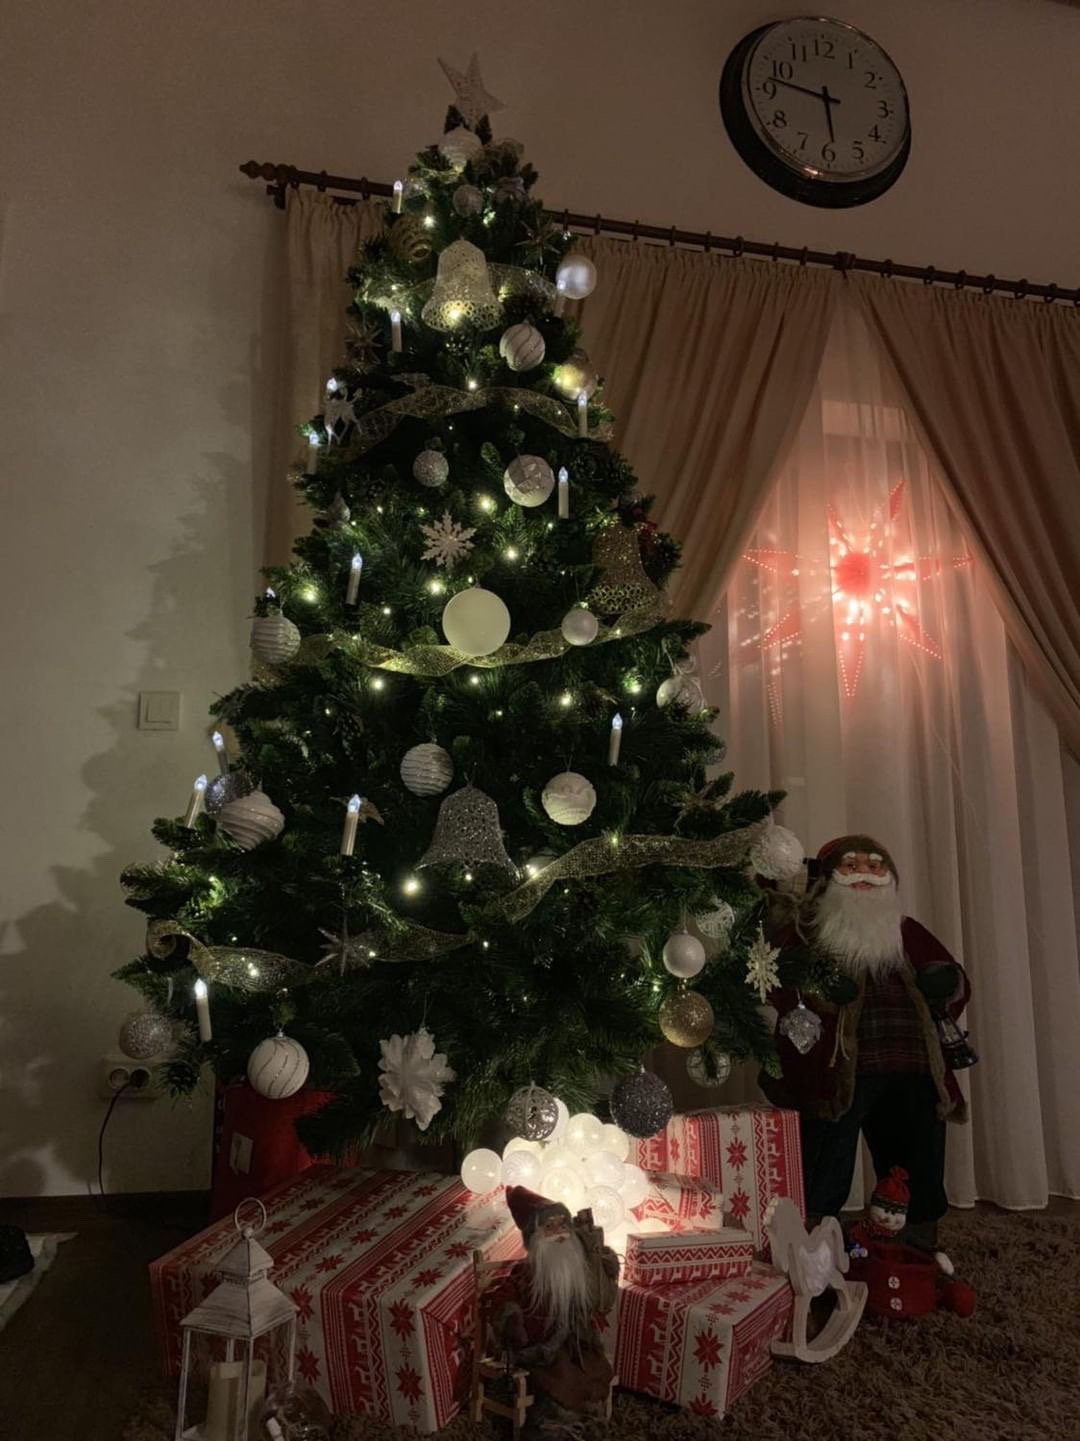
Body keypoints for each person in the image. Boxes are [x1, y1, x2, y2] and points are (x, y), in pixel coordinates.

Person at [761, 835, 973, 1248]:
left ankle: (914, 1245)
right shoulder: (809, 933)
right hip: (838, 1068)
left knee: (916, 1157)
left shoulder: (907, 932)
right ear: (829, 879)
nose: (865, 874)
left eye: (876, 866)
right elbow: (778, 981)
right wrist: (820, 991)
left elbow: (954, 979)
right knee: (826, 1157)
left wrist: (946, 983)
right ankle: (813, 1246)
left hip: (913, 1064)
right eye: (852, 865)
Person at [490, 1186, 619, 1437]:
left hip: (574, 1342)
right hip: (541, 1345)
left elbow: (599, 1302)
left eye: (563, 1225)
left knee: (595, 1369)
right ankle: (555, 1427)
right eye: (550, 1227)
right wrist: (511, 1317)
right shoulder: (527, 1274)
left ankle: (587, 1421)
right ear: (535, 1237)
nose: (560, 1233)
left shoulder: (576, 1270)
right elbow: (502, 1297)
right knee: (561, 1377)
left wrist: (605, 1268)